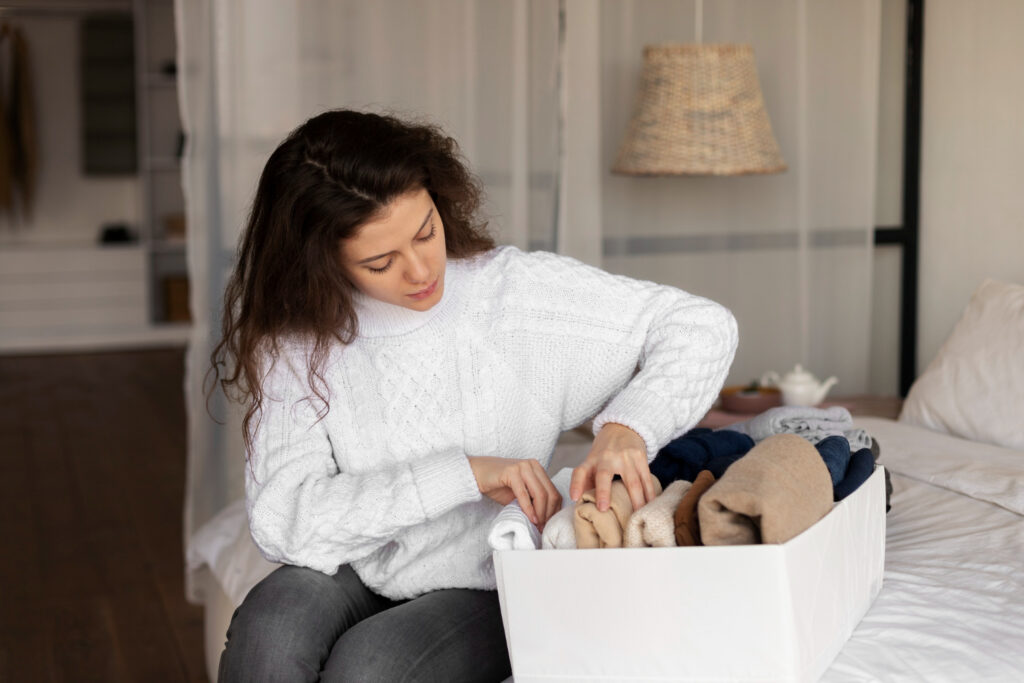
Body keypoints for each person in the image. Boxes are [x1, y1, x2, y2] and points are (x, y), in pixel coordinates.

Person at [210, 109, 738, 682]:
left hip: (488, 576)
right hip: (358, 565)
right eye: (381, 262)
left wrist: (627, 429)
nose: (420, 271)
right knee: (269, 631)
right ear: (323, 260)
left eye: (426, 232)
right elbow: (284, 519)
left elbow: (700, 326)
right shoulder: (297, 340)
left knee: (370, 667)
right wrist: (464, 475)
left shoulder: (510, 295)